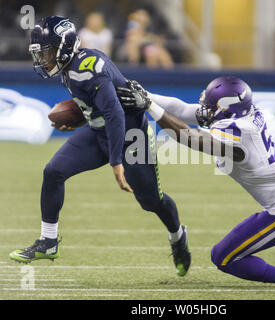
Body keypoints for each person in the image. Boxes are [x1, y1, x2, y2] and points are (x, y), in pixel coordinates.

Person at [116, 77, 275, 287]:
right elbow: (183, 109)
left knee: (223, 257)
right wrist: (147, 96)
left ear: (225, 108)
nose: (204, 109)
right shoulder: (244, 112)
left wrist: (150, 107)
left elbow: (189, 137)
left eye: (210, 106)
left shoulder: (239, 134)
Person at [9, 16, 191, 277]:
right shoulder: (71, 65)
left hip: (130, 136)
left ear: (65, 46)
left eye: (48, 52)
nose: (44, 60)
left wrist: (116, 162)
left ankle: (177, 236)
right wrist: (77, 120)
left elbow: (115, 113)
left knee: (150, 201)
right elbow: (97, 106)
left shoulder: (89, 68)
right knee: (53, 171)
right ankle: (48, 242)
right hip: (99, 132)